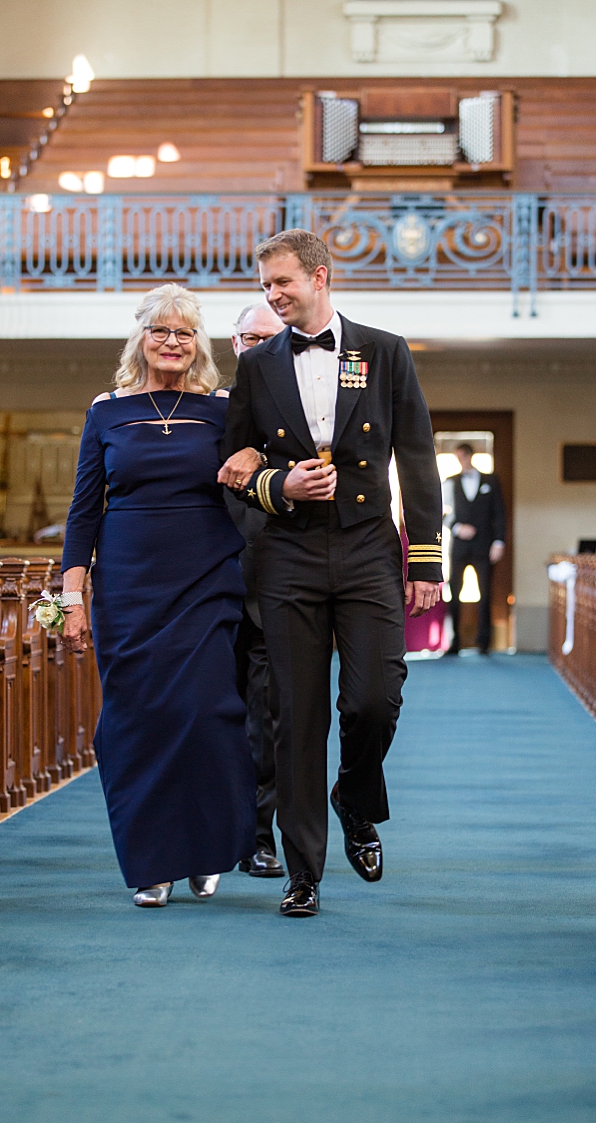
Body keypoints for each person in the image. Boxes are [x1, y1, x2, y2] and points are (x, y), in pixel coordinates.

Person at [216, 229, 443, 918]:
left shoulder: (383, 350)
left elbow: (419, 455)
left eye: (282, 282)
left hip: (369, 545)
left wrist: (426, 557)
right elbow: (234, 468)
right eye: (264, 286)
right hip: (288, 554)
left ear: (321, 275)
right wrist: (282, 485)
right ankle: (304, 870)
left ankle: (355, 793)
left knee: (375, 697)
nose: (273, 295)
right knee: (296, 715)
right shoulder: (256, 369)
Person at [61, 283, 256, 908]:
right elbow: (83, 511)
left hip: (205, 576)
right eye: (161, 330)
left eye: (185, 332)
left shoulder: (224, 410)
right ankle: (153, 863)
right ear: (141, 336)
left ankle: (206, 847)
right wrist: (72, 596)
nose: (172, 342)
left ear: (198, 343)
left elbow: (258, 478)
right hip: (128, 585)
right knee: (137, 722)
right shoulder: (107, 411)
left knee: (205, 714)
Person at [227, 300, 287, 879]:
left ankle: (259, 837)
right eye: (250, 337)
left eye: (271, 338)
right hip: (208, 595)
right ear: (235, 344)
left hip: (277, 594)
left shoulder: (308, 422)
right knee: (212, 718)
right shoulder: (209, 411)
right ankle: (208, 831)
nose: (259, 347)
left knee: (267, 724)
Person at [443, 442, 506, 655]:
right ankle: (455, 641)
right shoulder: (450, 482)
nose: (461, 461)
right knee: (454, 591)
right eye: (457, 457)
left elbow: (499, 513)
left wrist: (498, 542)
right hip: (459, 546)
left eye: (463, 456)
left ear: (470, 456)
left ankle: (484, 642)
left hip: (484, 545)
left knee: (485, 593)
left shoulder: (491, 480)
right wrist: (457, 527)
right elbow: (441, 512)